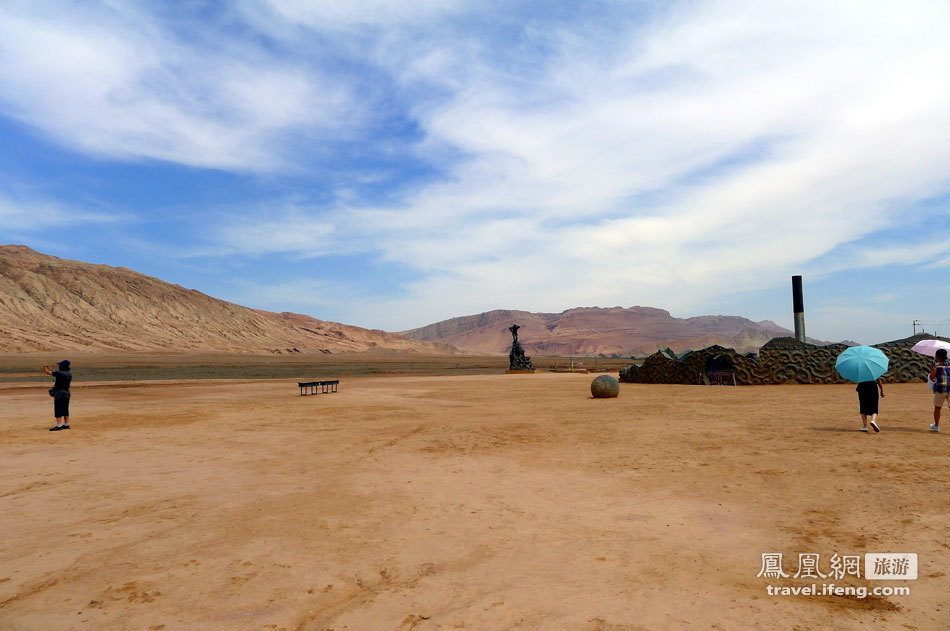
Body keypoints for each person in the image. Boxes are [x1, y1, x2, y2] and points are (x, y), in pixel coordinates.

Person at [44, 360, 71, 431]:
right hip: (67, 392)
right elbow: (53, 372)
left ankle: (59, 425)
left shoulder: (59, 373)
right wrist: (49, 368)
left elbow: (47, 372)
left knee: (58, 408)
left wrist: (45, 367)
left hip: (60, 393)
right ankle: (66, 424)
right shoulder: (68, 374)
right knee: (65, 408)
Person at [930, 348, 950, 432]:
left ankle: (936, 426)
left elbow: (932, 377)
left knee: (937, 408)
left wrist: (932, 368)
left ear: (937, 356)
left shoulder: (936, 364)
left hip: (940, 388)